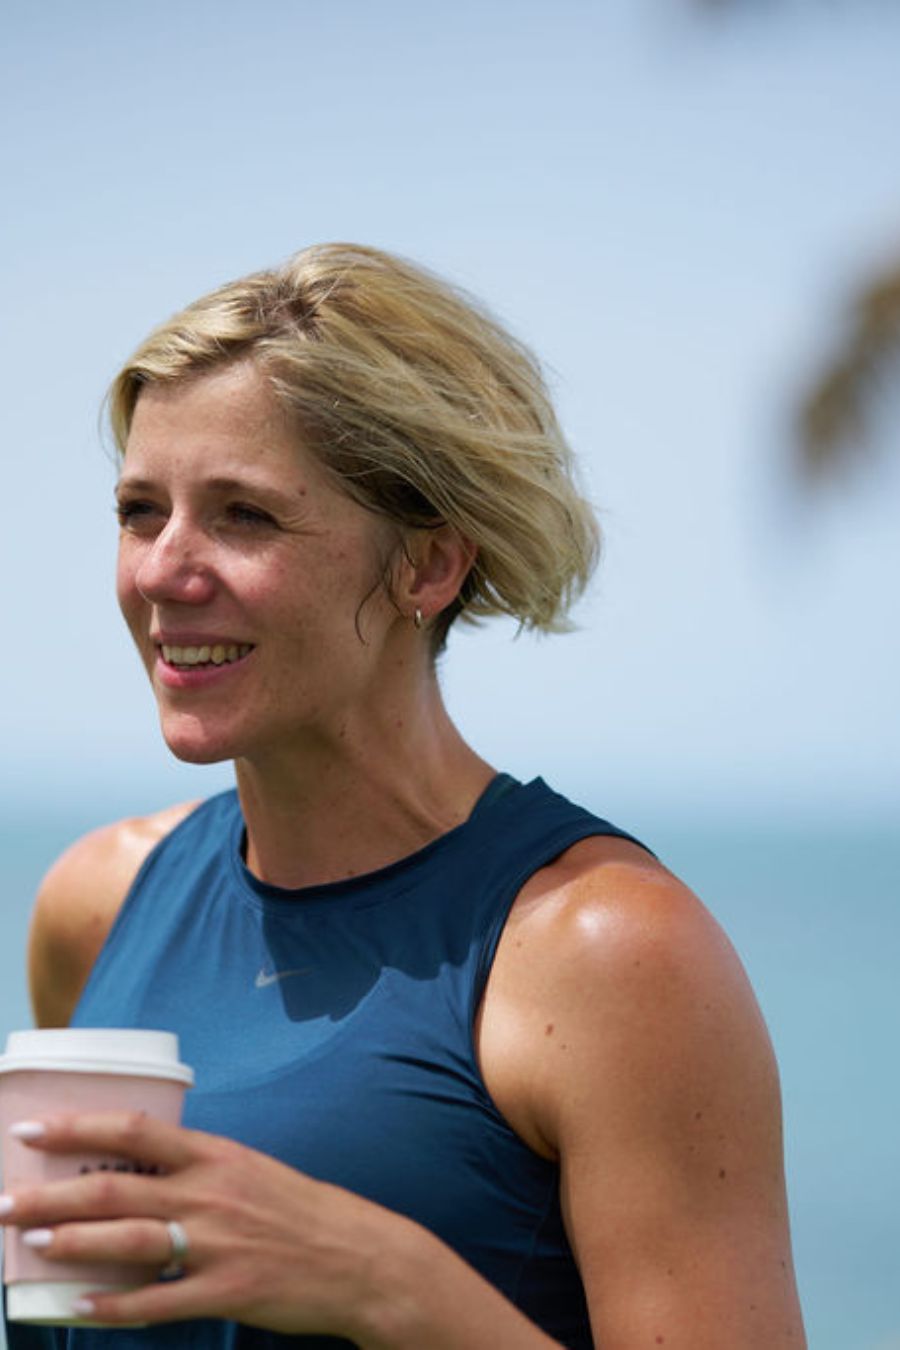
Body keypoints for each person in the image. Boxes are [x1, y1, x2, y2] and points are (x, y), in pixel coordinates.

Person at [3, 244, 806, 1349]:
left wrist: (391, 1287)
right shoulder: (96, 903)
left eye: (244, 516)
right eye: (143, 512)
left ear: (428, 567)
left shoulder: (612, 953)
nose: (162, 572)